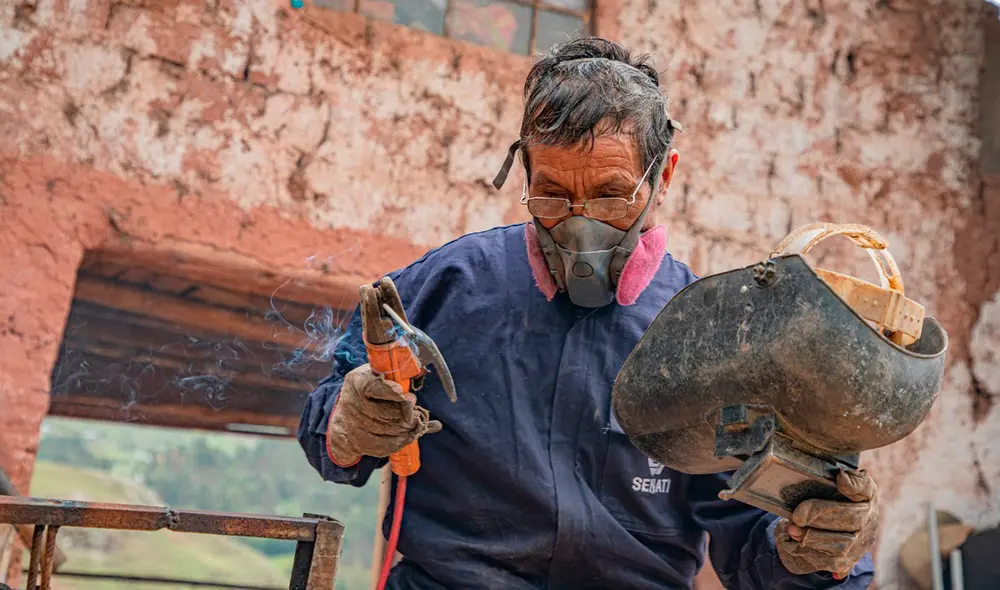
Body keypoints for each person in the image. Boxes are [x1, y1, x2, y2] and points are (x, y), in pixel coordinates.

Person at [298, 37, 878, 589]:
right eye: (551, 194)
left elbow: (755, 546)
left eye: (610, 195)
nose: (580, 224)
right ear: (524, 171)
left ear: (664, 176)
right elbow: (328, 433)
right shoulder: (446, 287)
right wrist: (346, 424)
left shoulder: (713, 339)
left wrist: (814, 547)